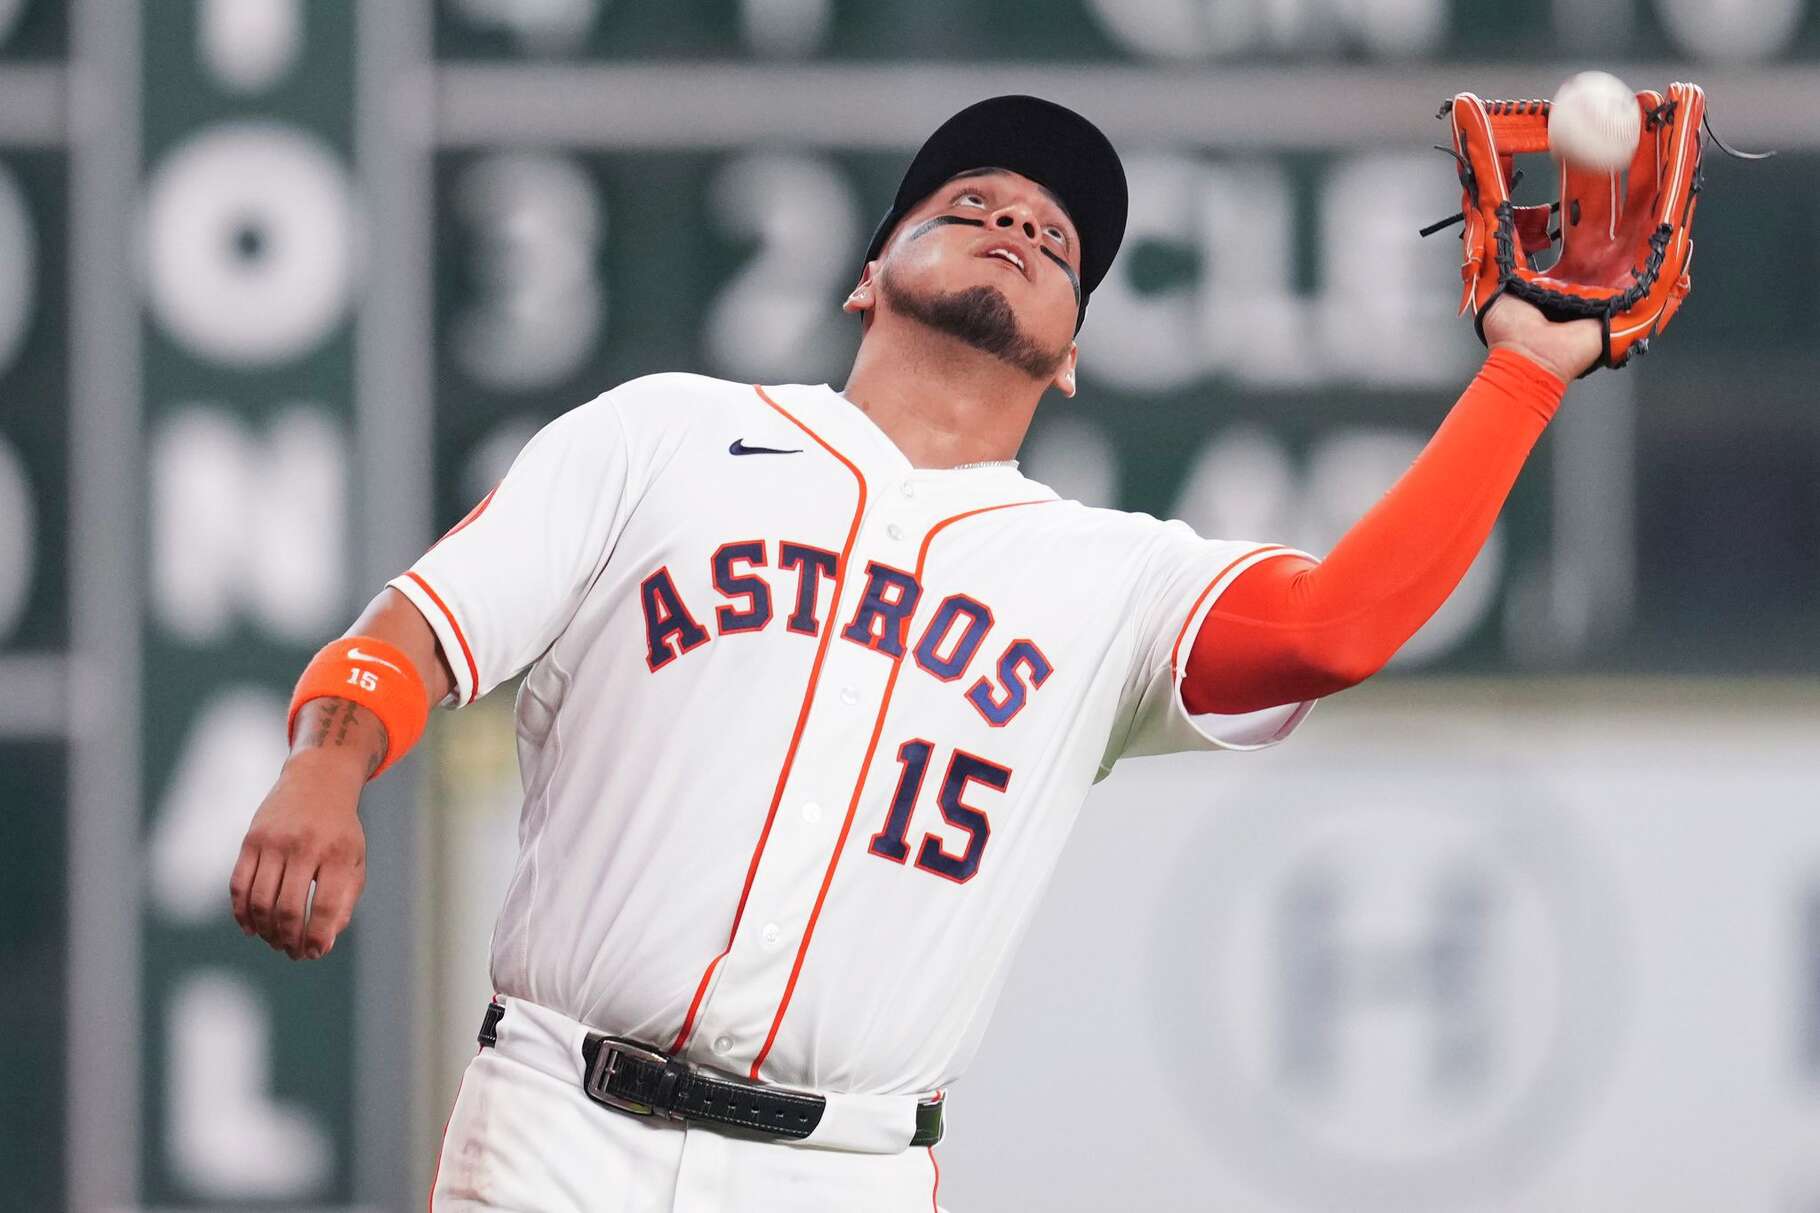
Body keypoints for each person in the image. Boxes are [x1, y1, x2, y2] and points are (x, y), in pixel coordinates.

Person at [229, 95, 1600, 1211]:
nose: (1016, 218)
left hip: (849, 1171)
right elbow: (415, 623)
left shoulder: (1108, 580)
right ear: (865, 276)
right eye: (971, 202)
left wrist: (1523, 371)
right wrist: (325, 765)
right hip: (558, 1131)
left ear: (1071, 359)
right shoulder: (664, 436)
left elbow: (1333, 626)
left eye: (1058, 238)